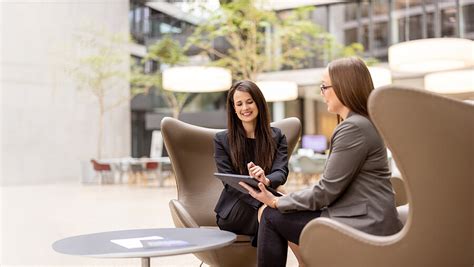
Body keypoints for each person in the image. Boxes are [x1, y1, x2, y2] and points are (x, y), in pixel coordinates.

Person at [240, 57, 403, 266]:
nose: (321, 93)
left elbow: (326, 192)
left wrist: (276, 201)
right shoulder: (361, 123)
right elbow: (331, 188)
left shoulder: (354, 128)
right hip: (362, 216)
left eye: (324, 87)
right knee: (276, 211)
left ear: (344, 88)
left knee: (271, 215)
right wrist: (283, 198)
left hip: (362, 224)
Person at [214, 80, 289, 246]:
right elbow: (229, 184)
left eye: (249, 102)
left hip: (268, 198)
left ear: (259, 103)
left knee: (280, 211)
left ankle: (302, 262)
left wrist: (266, 180)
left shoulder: (277, 137)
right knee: (278, 210)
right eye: (239, 104)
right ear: (234, 108)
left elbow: (281, 171)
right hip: (235, 208)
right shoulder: (222, 140)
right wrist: (265, 199)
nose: (245, 108)